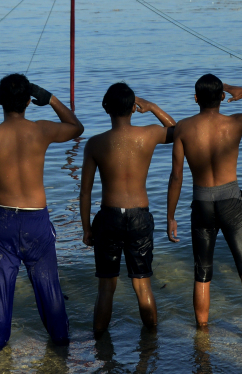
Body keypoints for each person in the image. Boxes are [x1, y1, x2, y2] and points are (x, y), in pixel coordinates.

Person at [167, 74, 242, 342]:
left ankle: (202, 335)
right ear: (222, 97)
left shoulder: (183, 128)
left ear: (196, 98)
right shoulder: (235, 123)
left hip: (201, 203)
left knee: (202, 271)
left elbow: (176, 177)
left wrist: (170, 215)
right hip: (231, 202)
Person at [0, 74, 84, 353]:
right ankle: (60, 345)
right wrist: (51, 99)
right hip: (36, 220)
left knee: (1, 293)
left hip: (4, 221)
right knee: (50, 289)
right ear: (28, 101)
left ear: (0, 100)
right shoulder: (41, 130)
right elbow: (76, 127)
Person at [80, 83, 176, 336]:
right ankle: (151, 344)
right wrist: (153, 107)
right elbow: (176, 131)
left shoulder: (95, 143)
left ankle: (101, 348)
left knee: (105, 289)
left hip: (109, 217)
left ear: (105, 107)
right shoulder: (149, 134)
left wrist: (86, 228)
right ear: (134, 108)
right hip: (139, 216)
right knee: (143, 287)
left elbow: (85, 192)